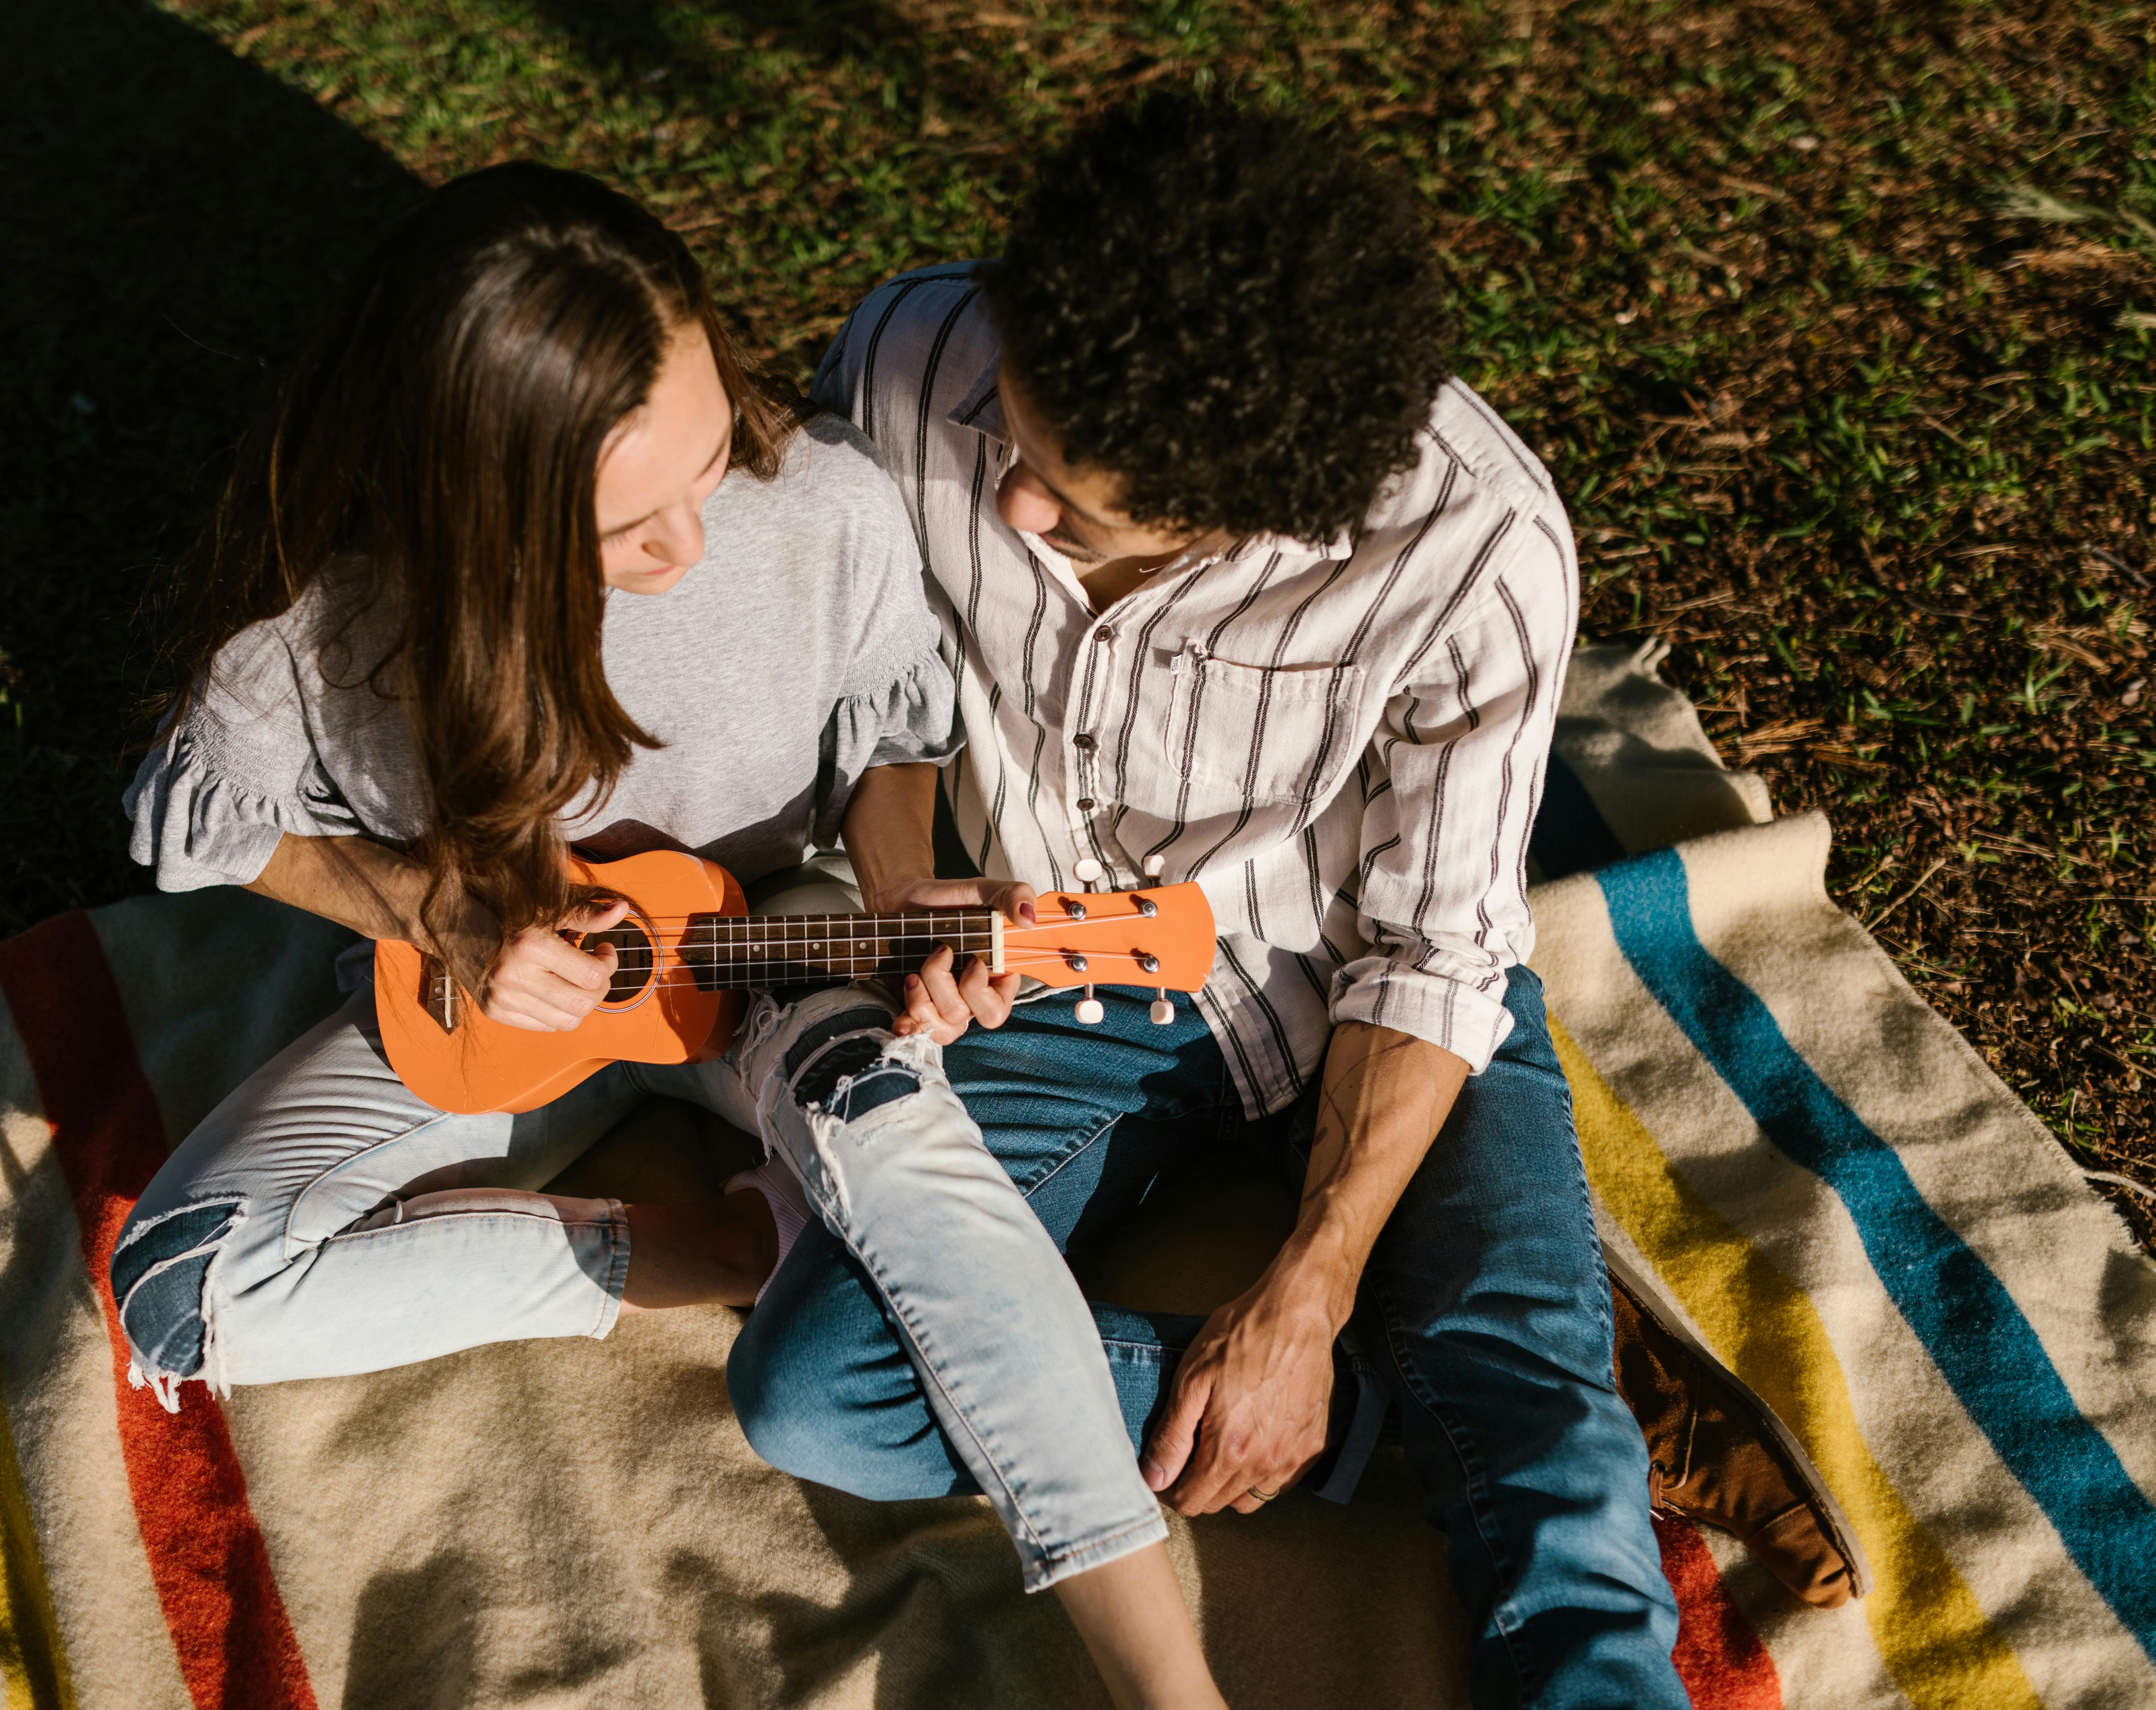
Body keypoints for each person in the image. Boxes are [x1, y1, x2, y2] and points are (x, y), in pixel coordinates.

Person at [730, 93, 1862, 1708]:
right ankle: (1432, 1420)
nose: (1019, 511)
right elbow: (871, 670)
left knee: (1549, 1460)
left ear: (1265, 511)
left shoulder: (1475, 545)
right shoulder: (914, 348)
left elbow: (1435, 949)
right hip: (1059, 985)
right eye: (1021, 445)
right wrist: (909, 894)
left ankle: (1517, 1408)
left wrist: (1309, 1289)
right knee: (817, 1394)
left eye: (1079, 501)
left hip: (1364, 988)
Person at [109, 162, 1241, 1708]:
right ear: (472, 517)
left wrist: (901, 890)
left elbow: (887, 734)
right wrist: (424, 905)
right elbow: (195, 822)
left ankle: (1163, 1679)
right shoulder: (338, 634)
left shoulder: (822, 508)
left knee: (902, 1145)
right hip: (492, 1015)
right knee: (180, 1287)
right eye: (623, 530)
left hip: (764, 952)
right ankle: (708, 1247)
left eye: (705, 468)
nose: (691, 546)